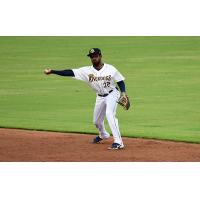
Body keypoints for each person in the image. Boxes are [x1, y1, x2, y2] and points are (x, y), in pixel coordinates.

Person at [44, 48, 129, 150]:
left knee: (109, 114)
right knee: (96, 122)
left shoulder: (111, 69)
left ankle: (118, 142)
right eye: (92, 57)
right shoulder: (86, 71)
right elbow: (69, 72)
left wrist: (123, 93)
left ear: (100, 56)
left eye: (96, 56)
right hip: (100, 96)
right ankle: (104, 134)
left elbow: (120, 81)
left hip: (112, 94)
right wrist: (53, 71)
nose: (94, 58)